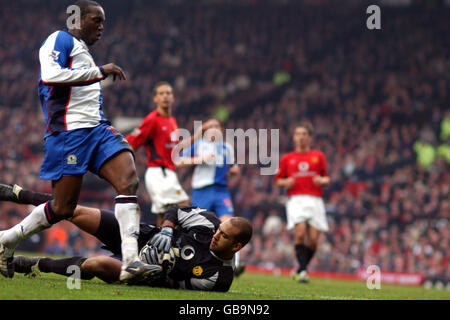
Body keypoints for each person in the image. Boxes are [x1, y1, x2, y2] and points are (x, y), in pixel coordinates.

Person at [0, 0, 160, 282]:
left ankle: (132, 260)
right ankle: (7, 240)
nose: (101, 27)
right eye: (96, 20)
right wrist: (100, 71)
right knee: (62, 208)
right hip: (68, 135)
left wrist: (98, 74)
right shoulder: (58, 39)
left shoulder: (82, 51)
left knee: (128, 179)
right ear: (77, 20)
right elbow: (51, 76)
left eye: (103, 22)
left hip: (97, 130)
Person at [0, 184, 253, 292]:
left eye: (224, 236)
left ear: (236, 246)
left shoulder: (219, 277)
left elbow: (177, 288)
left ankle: (30, 264)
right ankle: (20, 194)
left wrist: (159, 270)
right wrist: (166, 228)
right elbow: (175, 210)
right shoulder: (209, 222)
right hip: (140, 235)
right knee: (74, 210)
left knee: (96, 264)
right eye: (219, 230)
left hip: (144, 271)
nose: (216, 235)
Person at [125, 82, 209, 227]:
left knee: (164, 215)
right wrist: (126, 170)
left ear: (173, 97)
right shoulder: (152, 120)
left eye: (168, 93)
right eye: (161, 93)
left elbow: (175, 151)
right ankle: (172, 244)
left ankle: (161, 247)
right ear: (155, 99)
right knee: (182, 205)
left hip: (168, 173)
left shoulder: (171, 122)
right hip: (158, 173)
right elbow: (130, 143)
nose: (165, 96)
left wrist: (196, 137)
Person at [175, 118, 245, 275]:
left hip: (221, 191)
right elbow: (179, 161)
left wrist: (234, 171)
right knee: (199, 227)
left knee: (230, 224)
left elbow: (233, 167)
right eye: (211, 126)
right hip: (202, 190)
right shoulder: (199, 145)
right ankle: (193, 260)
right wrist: (200, 159)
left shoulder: (227, 147)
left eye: (217, 126)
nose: (214, 129)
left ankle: (235, 264)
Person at [274, 122, 330, 283]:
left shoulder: (318, 156)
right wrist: (286, 183)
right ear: (294, 137)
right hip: (295, 199)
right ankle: (304, 271)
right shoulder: (287, 158)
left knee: (313, 240)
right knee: (299, 233)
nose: (301, 137)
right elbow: (278, 181)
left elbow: (327, 178)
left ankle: (299, 269)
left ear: (309, 137)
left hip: (315, 200)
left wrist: (322, 180)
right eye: (298, 134)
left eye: (304, 134)